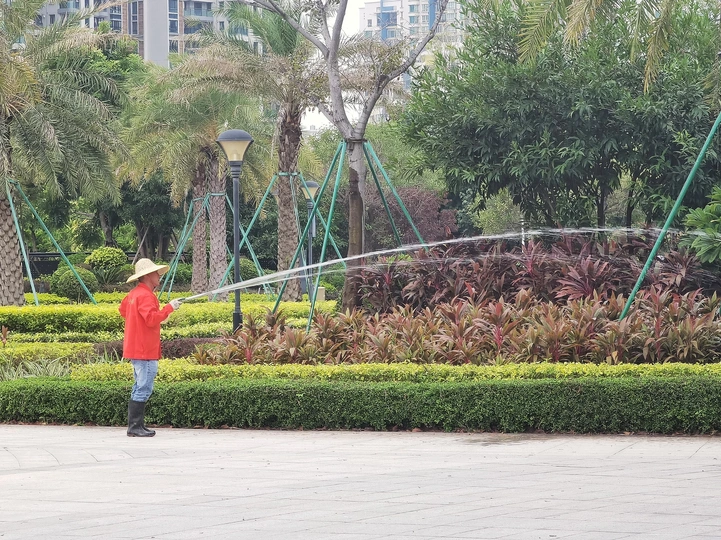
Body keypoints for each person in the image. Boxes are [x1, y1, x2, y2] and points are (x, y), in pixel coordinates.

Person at [119, 258, 181, 437]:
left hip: (136, 347)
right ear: (147, 276)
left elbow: (123, 311)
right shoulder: (146, 295)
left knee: (139, 385)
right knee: (144, 387)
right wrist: (169, 308)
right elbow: (152, 319)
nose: (159, 275)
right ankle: (135, 427)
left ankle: (136, 426)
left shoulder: (133, 294)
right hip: (144, 348)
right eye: (156, 273)